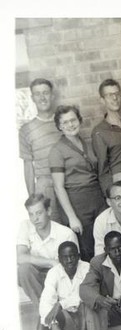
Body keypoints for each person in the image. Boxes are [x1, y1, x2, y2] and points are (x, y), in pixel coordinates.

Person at [48, 105, 106, 261]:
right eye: (65, 122)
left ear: (79, 120)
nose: (70, 125)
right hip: (77, 203)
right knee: (88, 248)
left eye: (73, 120)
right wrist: (72, 217)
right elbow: (58, 187)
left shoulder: (86, 142)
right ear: (59, 126)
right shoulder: (57, 150)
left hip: (97, 199)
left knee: (105, 240)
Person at [17, 194, 79, 307]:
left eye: (39, 213)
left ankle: (50, 312)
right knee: (23, 270)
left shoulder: (66, 234)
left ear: (49, 211)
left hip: (61, 278)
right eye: (31, 214)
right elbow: (20, 257)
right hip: (39, 277)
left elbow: (75, 268)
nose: (35, 219)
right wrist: (51, 262)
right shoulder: (25, 226)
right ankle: (44, 310)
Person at [37, 241, 89, 330]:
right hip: (65, 314)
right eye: (65, 257)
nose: (69, 260)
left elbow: (85, 295)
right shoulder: (53, 272)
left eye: (72, 256)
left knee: (84, 306)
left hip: (84, 313)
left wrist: (61, 304)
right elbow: (45, 301)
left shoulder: (87, 268)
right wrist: (53, 324)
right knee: (43, 314)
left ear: (79, 256)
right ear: (59, 259)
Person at [19, 78, 63, 222]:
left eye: (45, 93)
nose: (42, 97)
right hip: (46, 186)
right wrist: (32, 197)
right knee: (54, 228)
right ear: (32, 98)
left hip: (68, 181)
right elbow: (28, 165)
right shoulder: (26, 130)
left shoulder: (63, 122)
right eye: (38, 94)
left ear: (52, 95)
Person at [91, 78, 121, 201]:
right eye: (109, 95)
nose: (114, 98)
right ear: (102, 100)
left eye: (117, 94)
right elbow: (103, 169)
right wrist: (109, 195)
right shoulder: (99, 131)